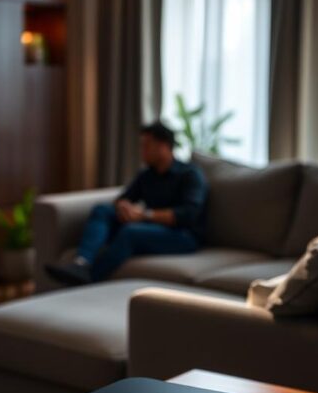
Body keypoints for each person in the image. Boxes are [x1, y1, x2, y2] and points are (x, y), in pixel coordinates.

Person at [46, 121, 208, 286]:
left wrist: (144, 215)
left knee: (130, 232)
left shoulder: (190, 174)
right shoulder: (147, 175)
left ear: (163, 146)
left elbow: (188, 215)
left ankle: (89, 278)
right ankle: (81, 263)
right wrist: (123, 207)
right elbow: (124, 198)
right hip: (152, 225)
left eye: (146, 145)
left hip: (183, 236)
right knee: (102, 210)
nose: (142, 151)